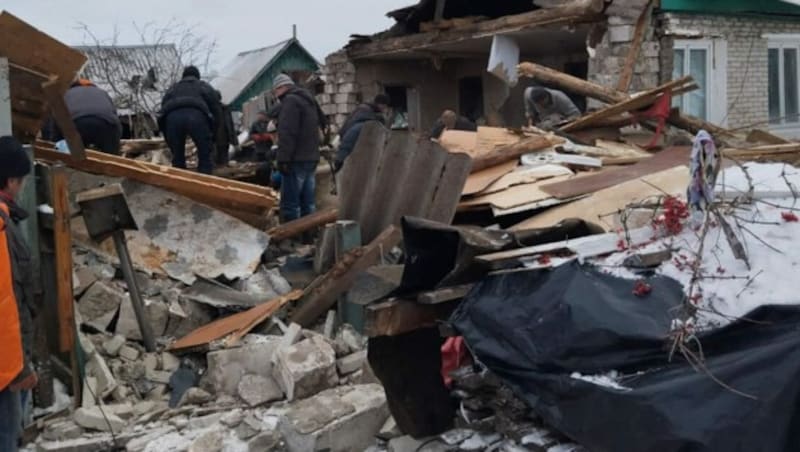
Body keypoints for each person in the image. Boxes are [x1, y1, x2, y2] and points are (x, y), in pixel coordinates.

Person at [0, 136, 38, 452]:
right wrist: (20, 367)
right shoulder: (1, 229)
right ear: (11, 180)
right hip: (4, 366)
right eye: (22, 179)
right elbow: (8, 303)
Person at [272, 73, 327, 221]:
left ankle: (292, 238)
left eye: (276, 90)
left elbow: (288, 133)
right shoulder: (309, 100)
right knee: (308, 202)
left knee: (290, 203)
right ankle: (309, 235)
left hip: (296, 159)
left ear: (282, 87)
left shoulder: (290, 101)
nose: (276, 95)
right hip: (311, 157)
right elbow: (323, 123)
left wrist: (283, 160)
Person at [159, 66, 221, 174]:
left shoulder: (173, 88)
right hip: (197, 117)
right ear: (198, 76)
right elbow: (216, 108)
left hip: (172, 118)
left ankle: (180, 184)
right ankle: (205, 184)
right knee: (204, 155)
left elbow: (163, 109)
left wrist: (167, 134)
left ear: (183, 76)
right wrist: (213, 134)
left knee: (177, 156)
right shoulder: (203, 86)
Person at [44, 79, 122, 154]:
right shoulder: (102, 92)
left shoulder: (64, 94)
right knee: (110, 156)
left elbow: (56, 124)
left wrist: (55, 146)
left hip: (76, 124)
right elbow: (115, 117)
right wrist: (115, 142)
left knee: (75, 159)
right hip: (106, 124)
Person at [335, 94, 391, 171]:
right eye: (385, 106)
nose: (385, 109)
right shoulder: (366, 115)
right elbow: (351, 136)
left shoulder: (364, 109)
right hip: (348, 145)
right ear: (380, 104)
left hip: (348, 144)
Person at [214, 90, 238, 167]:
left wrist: (234, 142)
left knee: (219, 162)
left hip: (220, 139)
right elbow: (230, 126)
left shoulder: (225, 109)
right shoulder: (224, 109)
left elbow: (230, 125)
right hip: (218, 140)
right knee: (220, 161)